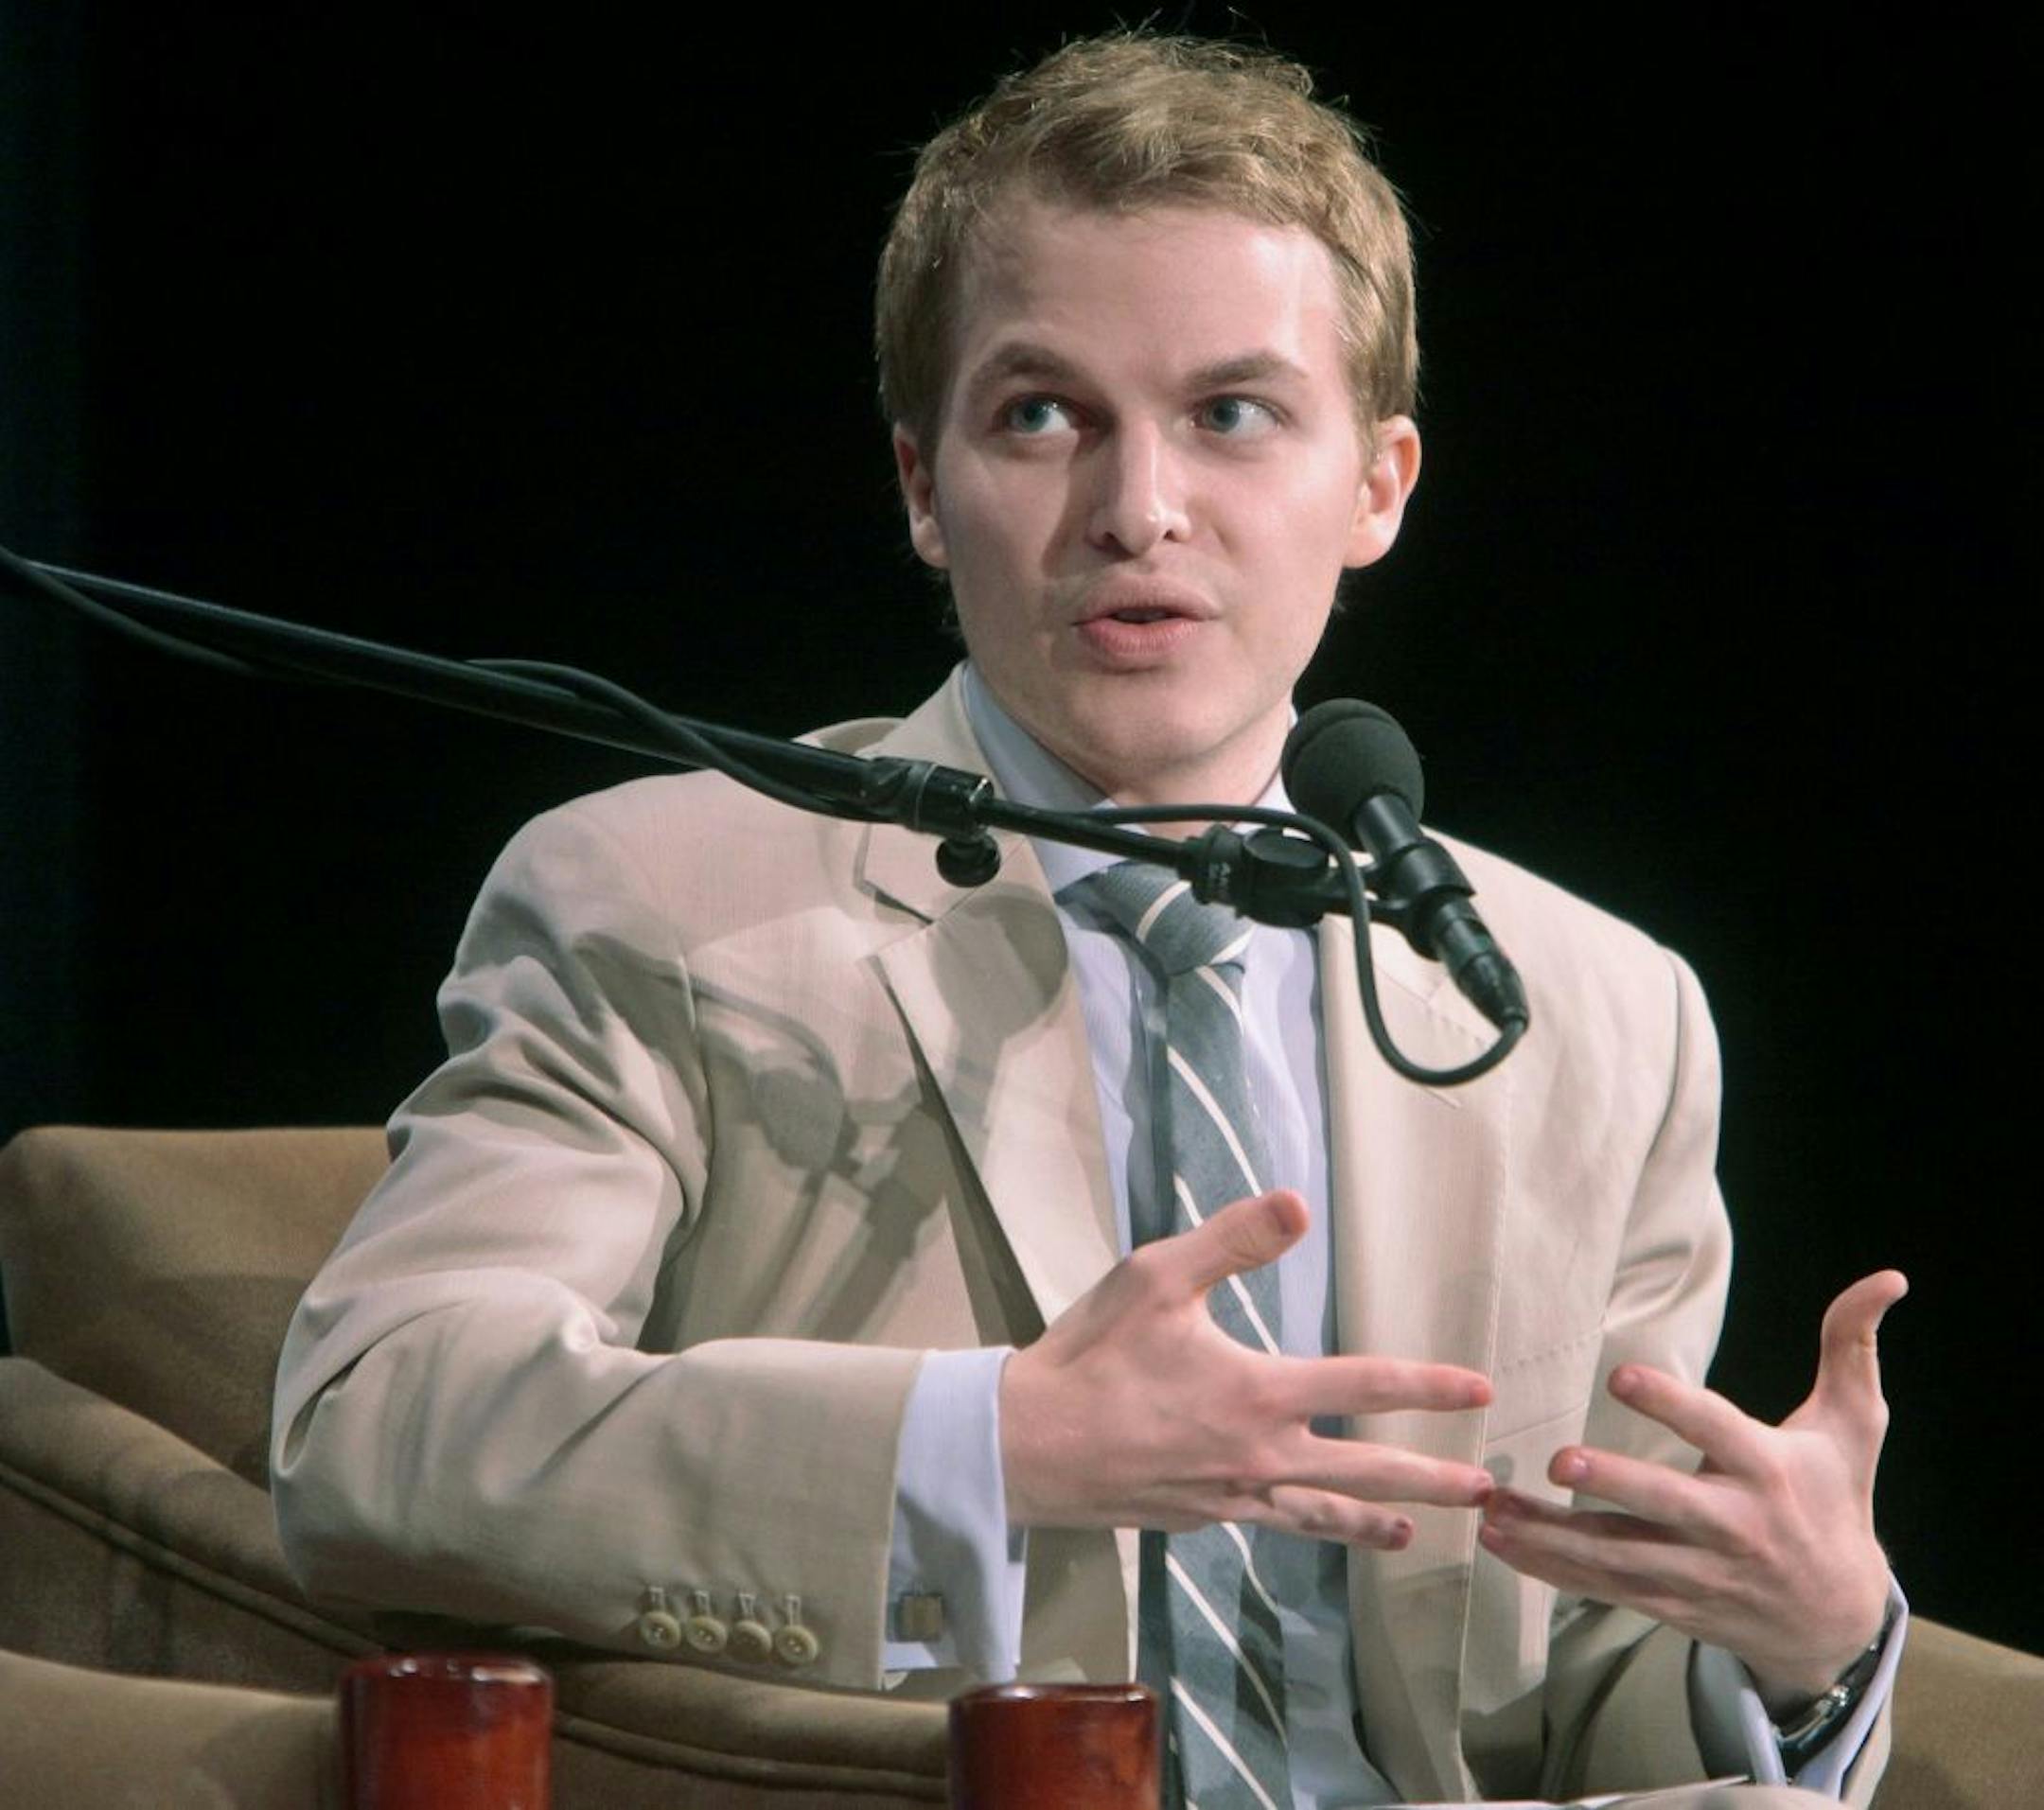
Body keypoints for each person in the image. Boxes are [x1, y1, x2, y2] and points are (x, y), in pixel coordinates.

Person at [273, 33, 1904, 1807]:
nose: (1139, 511)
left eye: (1233, 414)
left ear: (1378, 485)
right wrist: (985, 1443)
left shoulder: (1592, 1005)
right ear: (921, 482)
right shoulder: (668, 900)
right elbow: (380, 1426)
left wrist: (1801, 1637)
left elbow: (1577, 1686)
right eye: (1043, 413)